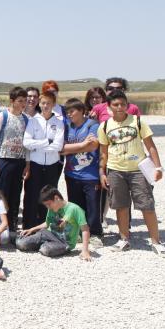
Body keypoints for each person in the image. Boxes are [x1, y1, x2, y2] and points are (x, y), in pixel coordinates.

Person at [97, 90, 165, 257]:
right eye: (116, 105)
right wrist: (102, 172)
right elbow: (103, 152)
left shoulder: (138, 122)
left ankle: (156, 241)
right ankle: (124, 239)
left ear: (127, 105)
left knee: (147, 205)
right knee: (121, 206)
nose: (120, 107)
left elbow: (150, 145)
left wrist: (158, 167)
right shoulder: (105, 126)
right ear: (109, 107)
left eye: (123, 104)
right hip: (115, 170)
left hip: (138, 170)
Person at [0, 87, 29, 232]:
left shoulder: (26, 119)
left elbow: (27, 143)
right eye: (20, 101)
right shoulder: (2, 116)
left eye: (25, 101)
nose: (23, 104)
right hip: (4, 159)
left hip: (20, 160)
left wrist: (27, 164)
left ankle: (11, 226)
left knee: (16, 194)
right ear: (12, 101)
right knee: (2, 193)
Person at [61, 98, 102, 237]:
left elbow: (93, 145)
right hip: (72, 173)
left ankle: (95, 234)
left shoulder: (93, 125)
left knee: (93, 207)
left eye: (72, 111)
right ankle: (79, 232)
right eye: (67, 112)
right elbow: (61, 149)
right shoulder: (67, 127)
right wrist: (83, 144)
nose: (69, 115)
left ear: (82, 111)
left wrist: (73, 148)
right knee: (76, 206)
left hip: (91, 174)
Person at [22, 92, 63, 229]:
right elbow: (27, 143)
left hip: (52, 165)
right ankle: (29, 228)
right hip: (35, 165)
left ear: (53, 105)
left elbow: (58, 146)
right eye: (43, 103)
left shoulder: (59, 123)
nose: (45, 106)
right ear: (40, 104)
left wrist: (38, 145)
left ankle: (48, 228)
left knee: (49, 197)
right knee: (32, 197)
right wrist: (47, 142)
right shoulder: (33, 121)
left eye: (48, 103)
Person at [16, 186, 91, 261]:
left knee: (46, 250)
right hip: (48, 234)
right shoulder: (51, 208)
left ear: (56, 198)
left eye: (49, 204)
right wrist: (32, 229)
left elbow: (85, 230)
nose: (48, 207)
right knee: (21, 243)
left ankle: (40, 244)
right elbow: (47, 223)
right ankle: (15, 237)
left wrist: (85, 251)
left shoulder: (75, 209)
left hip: (64, 242)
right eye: (46, 205)